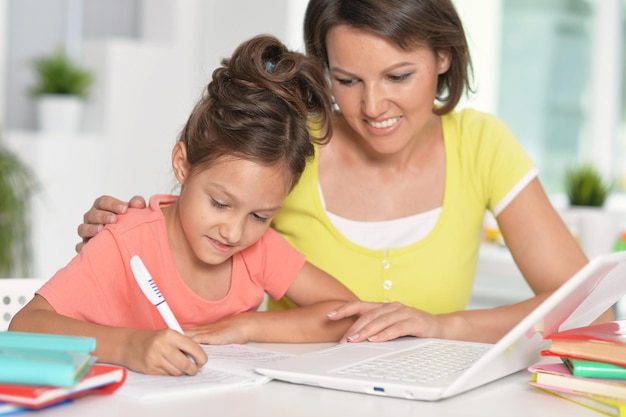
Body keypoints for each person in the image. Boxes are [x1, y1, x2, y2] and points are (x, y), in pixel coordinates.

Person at [75, 0, 613, 346]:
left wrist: (444, 325)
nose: (373, 106)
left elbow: (587, 304)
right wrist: (129, 238)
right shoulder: (294, 145)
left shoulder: (482, 144)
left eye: (398, 76)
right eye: (347, 79)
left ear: (444, 56)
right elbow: (205, 219)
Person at [9, 34, 358, 376]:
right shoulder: (127, 240)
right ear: (183, 164)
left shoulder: (261, 250)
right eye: (220, 203)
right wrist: (129, 346)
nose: (234, 232)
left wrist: (245, 325)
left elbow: (349, 314)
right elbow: (25, 327)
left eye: (259, 215)